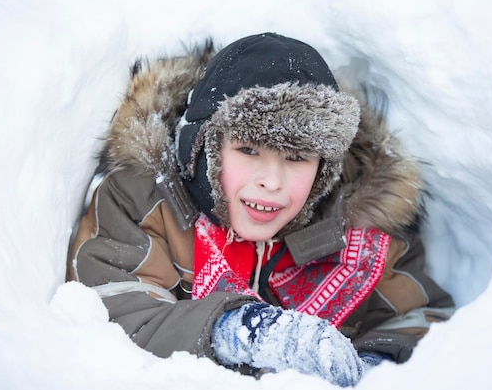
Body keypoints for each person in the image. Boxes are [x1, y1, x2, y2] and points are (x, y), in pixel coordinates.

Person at [67, 33, 455, 387]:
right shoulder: (146, 202)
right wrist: (239, 330)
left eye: (297, 157)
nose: (272, 180)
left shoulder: (360, 221)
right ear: (201, 148)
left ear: (325, 167)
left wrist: (375, 369)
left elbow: (419, 318)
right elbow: (111, 307)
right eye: (248, 150)